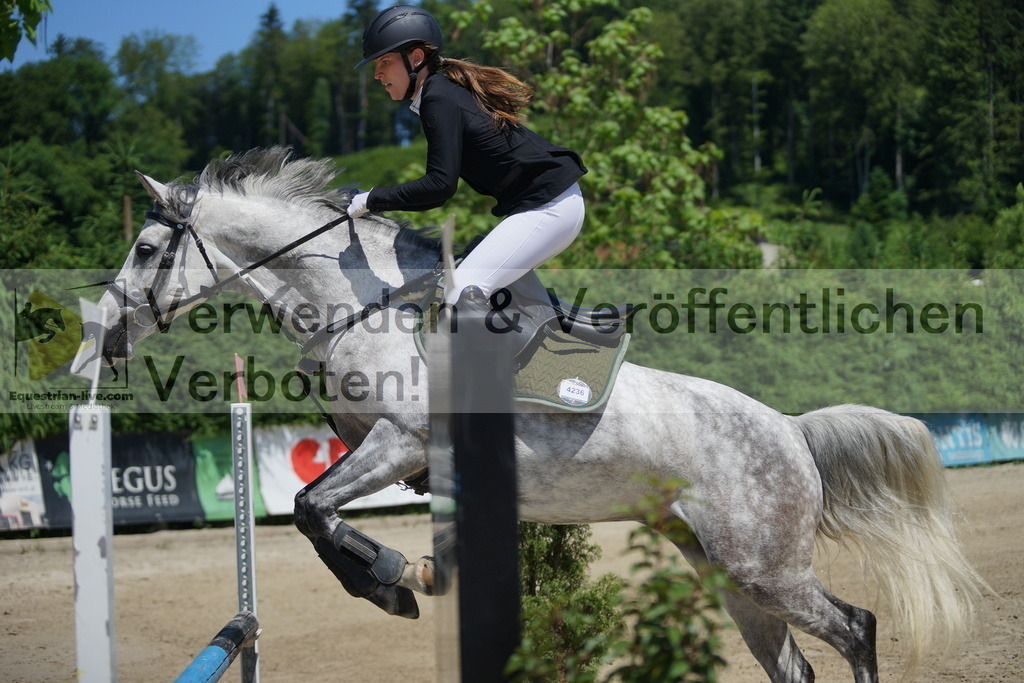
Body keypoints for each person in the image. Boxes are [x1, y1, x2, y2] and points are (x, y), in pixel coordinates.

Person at [348, 5, 587, 307]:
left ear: (416, 58)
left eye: (384, 62)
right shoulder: (441, 92)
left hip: (549, 208)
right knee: (464, 284)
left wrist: (372, 199)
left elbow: (439, 187)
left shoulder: (438, 98)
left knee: (460, 292)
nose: (377, 74)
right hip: (548, 205)